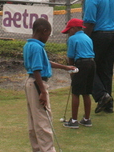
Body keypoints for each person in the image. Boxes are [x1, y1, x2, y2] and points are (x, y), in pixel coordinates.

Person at [23, 18, 76, 152]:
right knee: (43, 121)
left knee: (34, 120)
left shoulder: (29, 45)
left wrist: (65, 67)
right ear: (44, 31)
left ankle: (38, 149)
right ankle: (47, 150)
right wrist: (43, 92)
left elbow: (45, 62)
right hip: (37, 84)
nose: (48, 38)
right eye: (48, 34)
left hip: (31, 83)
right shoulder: (36, 47)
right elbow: (36, 69)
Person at [78, 0, 114, 114]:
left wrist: (84, 41)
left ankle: (101, 96)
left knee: (88, 67)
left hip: (100, 35)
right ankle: (108, 103)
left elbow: (89, 22)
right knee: (106, 69)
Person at [61, 18, 96, 129]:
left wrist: (71, 71)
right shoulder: (87, 38)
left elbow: (71, 57)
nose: (68, 33)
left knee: (75, 92)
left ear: (75, 28)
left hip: (81, 64)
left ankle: (74, 121)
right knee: (86, 92)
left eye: (69, 30)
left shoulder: (72, 39)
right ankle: (86, 119)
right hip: (92, 64)